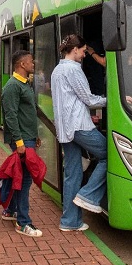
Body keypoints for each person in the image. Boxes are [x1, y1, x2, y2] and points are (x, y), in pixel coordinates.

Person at [51, 34, 107, 232]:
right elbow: (89, 100)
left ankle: (70, 221)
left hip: (65, 129)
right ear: (75, 50)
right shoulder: (73, 70)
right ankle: (89, 195)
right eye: (83, 51)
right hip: (79, 126)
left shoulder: (57, 70)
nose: (84, 55)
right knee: (109, 155)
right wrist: (111, 100)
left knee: (72, 174)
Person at [1, 50, 43, 237]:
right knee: (24, 180)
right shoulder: (12, 86)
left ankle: (10, 211)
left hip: (28, 138)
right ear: (22, 65)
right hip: (22, 140)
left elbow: (27, 113)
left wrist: (34, 136)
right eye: (30, 62)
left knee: (17, 176)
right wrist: (20, 142)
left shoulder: (24, 84)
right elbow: (10, 116)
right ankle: (23, 222)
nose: (33, 64)